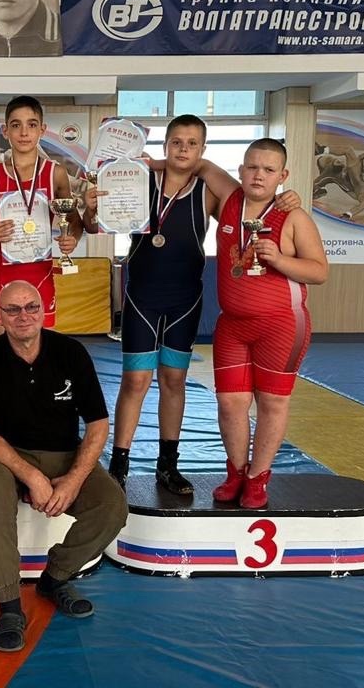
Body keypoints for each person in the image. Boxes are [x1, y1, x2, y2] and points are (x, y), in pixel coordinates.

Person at [98, 116, 300, 496]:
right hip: (141, 298)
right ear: (165, 145)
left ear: (203, 150)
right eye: (176, 142)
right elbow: (101, 216)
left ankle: (167, 466)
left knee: (174, 380)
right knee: (135, 381)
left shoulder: (209, 191)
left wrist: (287, 199)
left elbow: (252, 202)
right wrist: (108, 189)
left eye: (192, 144)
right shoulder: (142, 182)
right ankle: (119, 465)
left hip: (184, 301)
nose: (183, 149)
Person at [0, 280, 127, 652]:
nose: (23, 316)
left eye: (31, 307)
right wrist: (32, 476)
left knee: (112, 505)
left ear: (44, 310)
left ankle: (54, 579)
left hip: (65, 453)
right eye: (13, 309)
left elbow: (98, 425)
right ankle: (9, 607)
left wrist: (74, 479)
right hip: (6, 456)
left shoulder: (71, 353)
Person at [211, 139, 328, 509]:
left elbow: (319, 271)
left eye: (268, 169)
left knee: (272, 403)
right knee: (230, 402)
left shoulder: (294, 217)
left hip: (281, 326)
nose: (258, 175)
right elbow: (199, 165)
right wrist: (148, 163)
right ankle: (236, 472)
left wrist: (278, 259)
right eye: (252, 167)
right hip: (232, 325)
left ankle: (258, 477)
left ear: (283, 175)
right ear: (241, 169)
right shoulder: (230, 201)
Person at [0, 95, 79, 338]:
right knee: (2, 354)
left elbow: (74, 222)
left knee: (43, 354)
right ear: (5, 131)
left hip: (41, 278)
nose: (24, 132)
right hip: (2, 278)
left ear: (42, 130)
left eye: (32, 124)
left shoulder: (56, 174)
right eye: (16, 125)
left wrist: (72, 240)